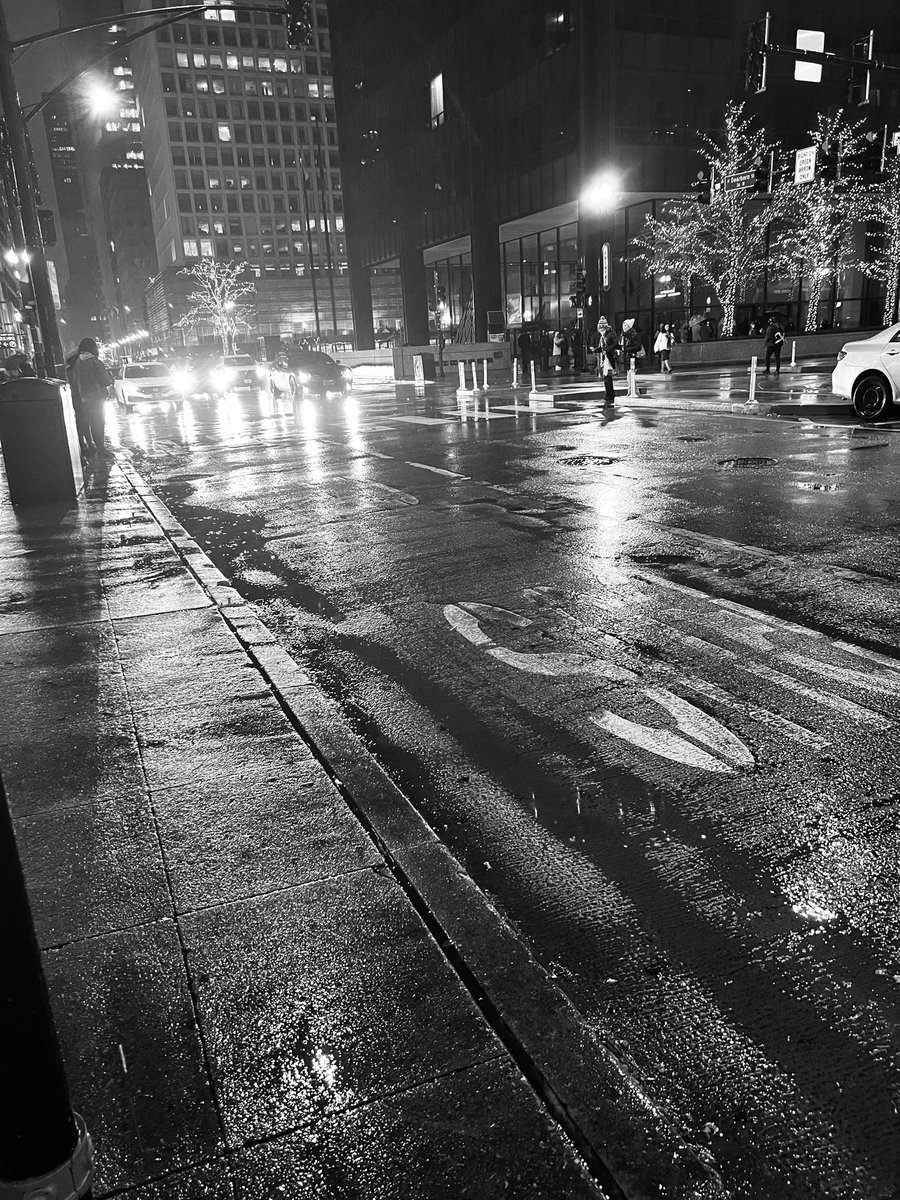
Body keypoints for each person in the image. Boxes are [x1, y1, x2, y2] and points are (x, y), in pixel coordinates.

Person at [68, 337, 113, 456]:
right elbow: (105, 381)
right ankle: (101, 448)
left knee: (85, 423)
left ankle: (89, 446)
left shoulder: (77, 363)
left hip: (83, 398)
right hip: (97, 398)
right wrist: (110, 379)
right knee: (98, 423)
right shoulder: (95, 362)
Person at [597, 316, 618, 407]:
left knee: (607, 376)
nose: (601, 328)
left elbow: (614, 344)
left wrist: (607, 350)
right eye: (600, 327)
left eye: (602, 326)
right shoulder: (603, 336)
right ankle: (609, 393)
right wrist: (597, 350)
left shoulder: (610, 334)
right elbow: (601, 347)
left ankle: (609, 394)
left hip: (609, 357)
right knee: (606, 376)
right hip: (605, 357)